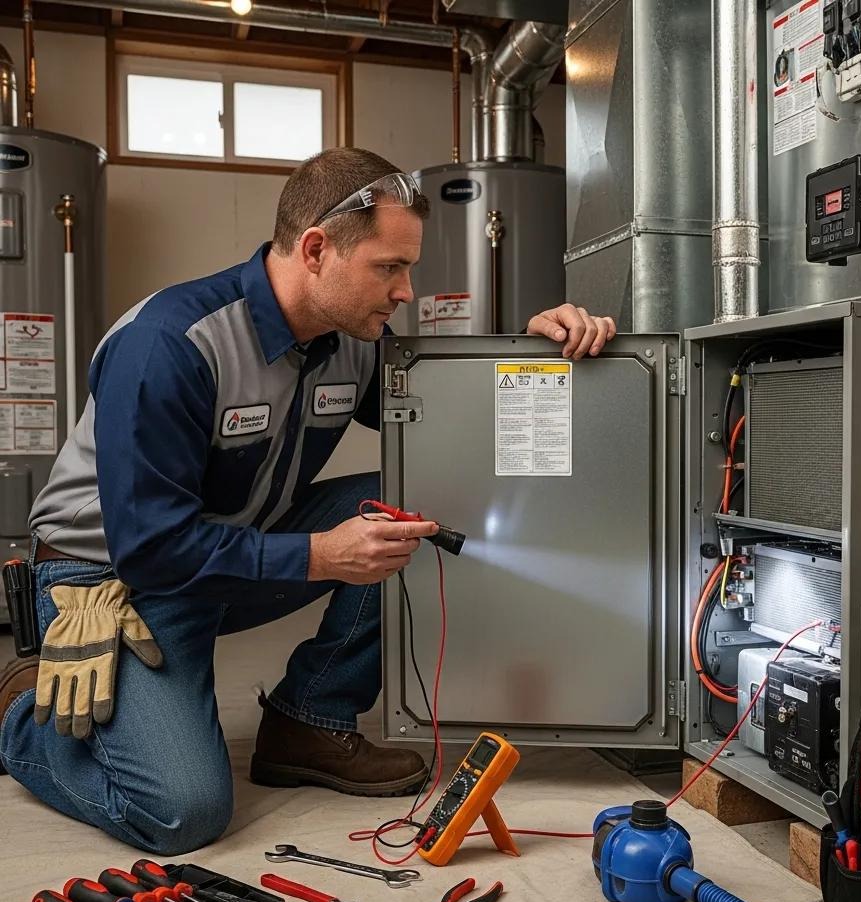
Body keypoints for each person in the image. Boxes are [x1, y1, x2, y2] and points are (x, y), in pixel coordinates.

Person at [0, 148, 617, 855]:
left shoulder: (352, 339)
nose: (407, 292)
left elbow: (452, 424)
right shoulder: (170, 344)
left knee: (413, 499)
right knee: (182, 814)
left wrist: (538, 358)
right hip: (112, 577)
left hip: (232, 546)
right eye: (390, 268)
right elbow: (152, 547)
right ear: (317, 249)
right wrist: (322, 555)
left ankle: (309, 717)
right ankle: (18, 712)